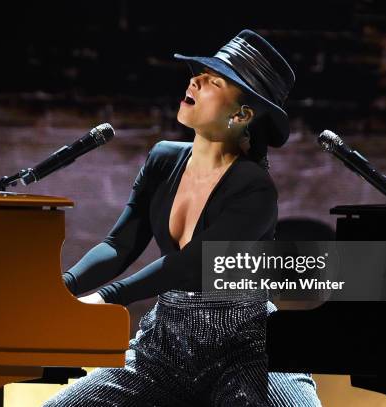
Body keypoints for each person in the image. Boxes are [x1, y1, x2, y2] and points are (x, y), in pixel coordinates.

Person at [44, 29, 322, 406]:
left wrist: (109, 297)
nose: (195, 80)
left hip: (247, 350)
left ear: (241, 115)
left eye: (214, 81)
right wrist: (61, 289)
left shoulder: (255, 188)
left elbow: (192, 264)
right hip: (163, 346)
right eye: (199, 74)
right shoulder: (163, 158)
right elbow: (119, 245)